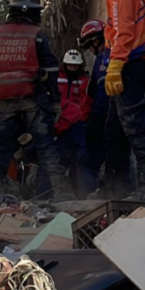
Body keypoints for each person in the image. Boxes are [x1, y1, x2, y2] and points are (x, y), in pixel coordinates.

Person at [0, 0, 74, 205]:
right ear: (35, 12)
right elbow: (50, 71)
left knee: (0, 148)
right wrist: (55, 101)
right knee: (46, 146)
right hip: (33, 101)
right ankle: (62, 195)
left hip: (3, 101)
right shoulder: (37, 36)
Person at [82, 0, 145, 195]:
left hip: (126, 66)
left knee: (135, 126)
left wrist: (115, 64)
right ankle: (115, 186)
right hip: (130, 64)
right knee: (114, 131)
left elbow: (124, 30)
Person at [78, 19, 118, 196]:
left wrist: (95, 120)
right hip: (116, 117)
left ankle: (89, 197)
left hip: (104, 117)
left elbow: (102, 93)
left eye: (89, 46)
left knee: (86, 161)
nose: (90, 51)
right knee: (117, 161)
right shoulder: (114, 54)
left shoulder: (103, 60)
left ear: (95, 41)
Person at [51, 49, 88, 195]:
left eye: (75, 66)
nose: (72, 68)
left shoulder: (85, 80)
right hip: (60, 122)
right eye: (70, 65)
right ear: (64, 64)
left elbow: (87, 101)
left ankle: (80, 193)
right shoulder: (56, 78)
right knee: (57, 161)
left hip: (78, 124)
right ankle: (51, 193)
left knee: (78, 162)